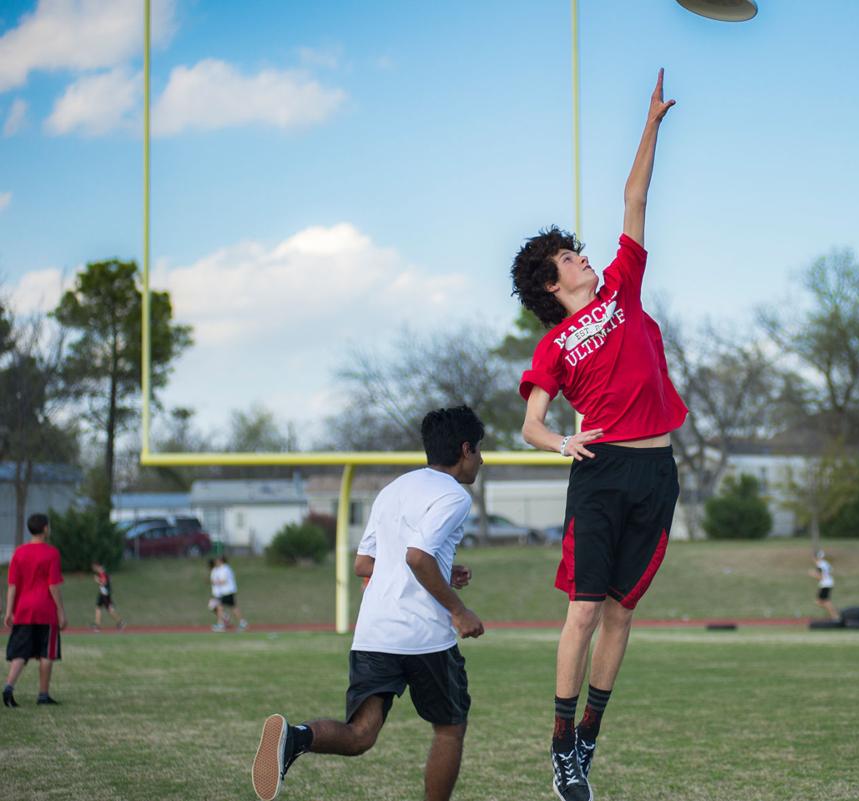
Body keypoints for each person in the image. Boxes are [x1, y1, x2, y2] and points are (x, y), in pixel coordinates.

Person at [511, 69, 686, 801]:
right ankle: (560, 748)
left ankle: (588, 737)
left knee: (620, 612)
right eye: (568, 259)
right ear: (553, 285)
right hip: (601, 471)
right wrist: (561, 444)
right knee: (584, 610)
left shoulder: (621, 286)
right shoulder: (554, 345)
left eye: (578, 252)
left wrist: (651, 124)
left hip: (657, 472)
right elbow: (530, 423)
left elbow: (634, 198)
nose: (581, 257)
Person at [251, 406, 486, 801]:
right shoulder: (454, 496)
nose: (481, 460)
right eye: (479, 450)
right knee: (450, 729)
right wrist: (459, 610)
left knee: (361, 734)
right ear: (465, 450)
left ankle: (295, 738)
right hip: (424, 637)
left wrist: (443, 573)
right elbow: (417, 557)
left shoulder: (393, 490)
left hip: (374, 633)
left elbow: (365, 563)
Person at [4, 514, 67, 707]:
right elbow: (53, 586)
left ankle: (8, 687)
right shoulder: (51, 553)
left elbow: (12, 585)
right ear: (45, 528)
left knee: (20, 653)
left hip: (23, 610)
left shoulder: (19, 552)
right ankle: (43, 695)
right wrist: (61, 612)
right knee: (46, 653)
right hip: (45, 610)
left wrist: (9, 611)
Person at [210, 555, 247, 631]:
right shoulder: (221, 569)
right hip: (226, 592)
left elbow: (224, 581)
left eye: (217, 560)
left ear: (221, 561)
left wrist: (215, 582)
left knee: (220, 607)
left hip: (227, 591)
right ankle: (242, 623)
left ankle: (221, 625)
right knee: (233, 608)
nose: (216, 562)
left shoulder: (225, 568)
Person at [91, 562, 126, 631]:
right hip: (102, 593)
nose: (94, 569)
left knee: (109, 609)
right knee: (98, 608)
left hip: (105, 594)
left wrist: (97, 580)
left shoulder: (102, 573)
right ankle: (97, 625)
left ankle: (120, 622)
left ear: (98, 567)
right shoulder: (102, 573)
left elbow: (104, 583)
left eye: (94, 567)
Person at [809, 551, 838, 619]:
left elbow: (821, 577)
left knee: (821, 601)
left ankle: (835, 615)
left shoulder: (819, 565)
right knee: (822, 601)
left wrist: (813, 574)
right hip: (828, 583)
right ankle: (834, 614)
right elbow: (830, 571)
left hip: (825, 584)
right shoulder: (825, 563)